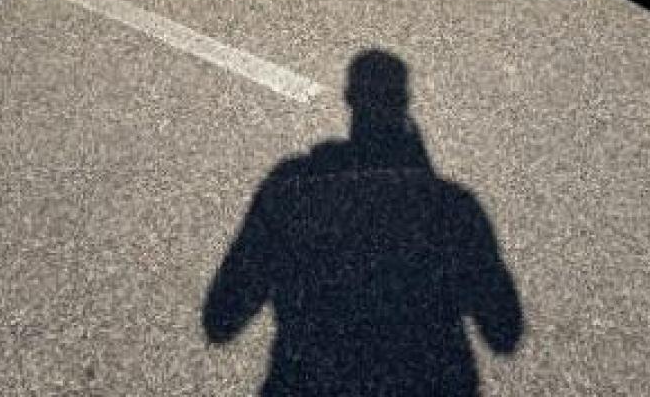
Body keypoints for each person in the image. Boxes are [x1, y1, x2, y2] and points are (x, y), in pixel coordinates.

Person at [203, 51, 524, 395]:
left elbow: (221, 319)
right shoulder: (451, 208)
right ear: (404, 102)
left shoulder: (291, 192)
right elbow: (504, 332)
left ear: (350, 99)